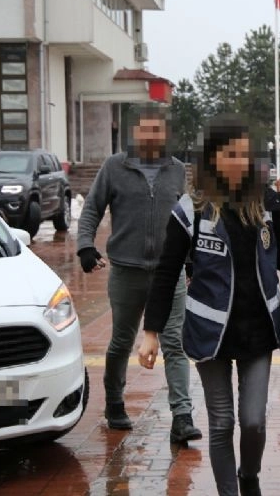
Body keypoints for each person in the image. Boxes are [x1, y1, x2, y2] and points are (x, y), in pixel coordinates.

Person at [138, 115, 280, 496]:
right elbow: (166, 273)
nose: (240, 162)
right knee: (221, 424)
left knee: (253, 422)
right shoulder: (191, 210)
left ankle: (248, 476)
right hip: (210, 334)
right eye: (230, 154)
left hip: (258, 330)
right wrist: (151, 332)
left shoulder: (265, 204)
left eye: (245, 154)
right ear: (212, 159)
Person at [76, 103, 202, 443]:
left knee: (174, 342)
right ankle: (115, 403)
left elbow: (188, 217)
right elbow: (91, 209)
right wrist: (85, 246)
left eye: (157, 130)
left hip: (170, 272)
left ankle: (182, 416)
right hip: (126, 271)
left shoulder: (177, 170)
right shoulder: (114, 167)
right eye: (145, 129)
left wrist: (192, 258)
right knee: (121, 340)